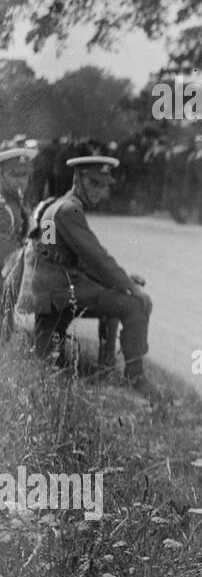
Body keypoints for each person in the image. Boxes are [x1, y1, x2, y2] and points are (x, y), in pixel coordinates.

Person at [15, 156, 155, 392]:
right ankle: (135, 378)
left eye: (103, 185)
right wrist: (131, 288)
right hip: (58, 289)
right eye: (93, 183)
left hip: (46, 288)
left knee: (46, 360)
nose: (99, 191)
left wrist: (121, 281)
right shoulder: (70, 210)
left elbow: (56, 252)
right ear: (77, 179)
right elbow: (96, 257)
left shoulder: (56, 206)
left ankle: (104, 366)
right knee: (135, 305)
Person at [1, 145, 37, 340]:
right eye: (15, 175)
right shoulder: (3, 207)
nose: (21, 181)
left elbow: (37, 231)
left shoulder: (18, 203)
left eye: (25, 175)